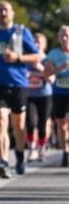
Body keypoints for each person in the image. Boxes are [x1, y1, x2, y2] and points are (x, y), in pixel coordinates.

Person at [0, 1, 38, 178]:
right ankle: (3, 162)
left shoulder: (21, 32)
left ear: (12, 13)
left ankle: (20, 154)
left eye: (6, 10)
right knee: (0, 122)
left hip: (18, 84)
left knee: (18, 125)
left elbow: (36, 56)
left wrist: (17, 57)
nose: (3, 13)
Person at [44, 25, 69, 167]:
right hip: (59, 93)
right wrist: (59, 68)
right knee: (62, 125)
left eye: (67, 35)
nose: (65, 38)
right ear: (59, 38)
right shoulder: (53, 54)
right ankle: (65, 152)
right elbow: (46, 73)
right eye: (62, 36)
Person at [26, 32, 52, 162]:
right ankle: (32, 150)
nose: (36, 44)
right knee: (30, 123)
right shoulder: (27, 59)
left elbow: (52, 79)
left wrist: (40, 68)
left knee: (42, 123)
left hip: (44, 95)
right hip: (29, 95)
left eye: (39, 42)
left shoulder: (48, 59)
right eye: (34, 42)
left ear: (44, 45)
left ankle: (41, 149)